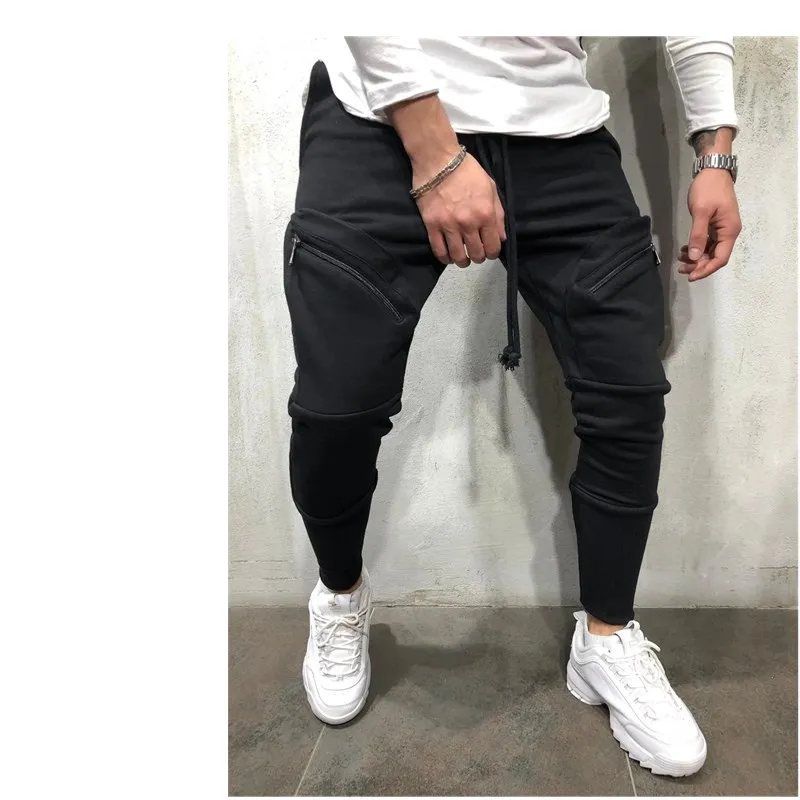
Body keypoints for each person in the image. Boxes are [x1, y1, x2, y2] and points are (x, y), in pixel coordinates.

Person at [282, 37, 741, 778]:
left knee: (627, 397)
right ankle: (340, 596)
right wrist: (437, 152)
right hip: (378, 121)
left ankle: (606, 638)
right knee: (337, 407)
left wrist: (715, 151)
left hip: (558, 129)